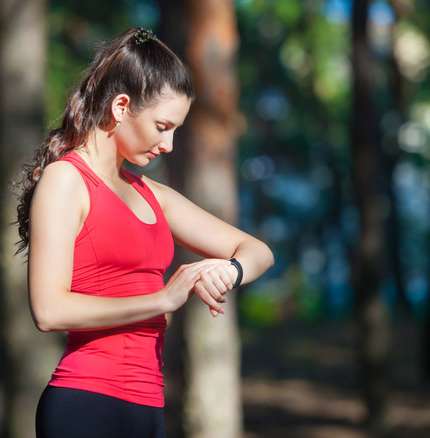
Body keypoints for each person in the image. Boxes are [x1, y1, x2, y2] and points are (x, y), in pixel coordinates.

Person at [15, 27, 274, 438]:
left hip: (148, 405)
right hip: (85, 404)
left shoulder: (152, 194)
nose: (169, 144)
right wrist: (162, 299)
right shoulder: (66, 181)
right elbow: (49, 311)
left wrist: (228, 272)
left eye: (176, 131)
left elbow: (257, 250)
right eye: (162, 126)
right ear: (121, 107)